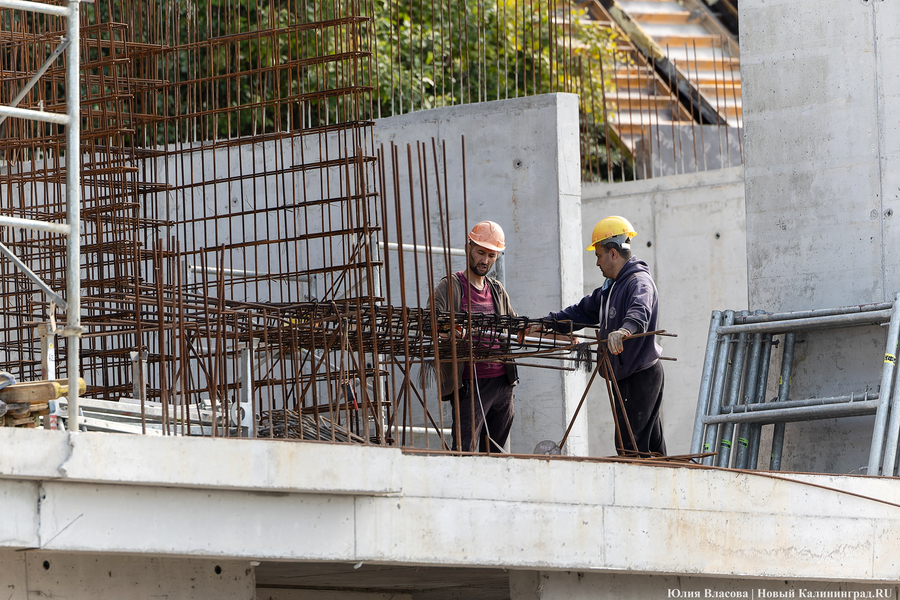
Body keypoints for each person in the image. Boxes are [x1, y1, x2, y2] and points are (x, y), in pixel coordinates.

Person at [533, 216, 667, 457]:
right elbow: (581, 312)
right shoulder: (611, 287)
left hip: (639, 375)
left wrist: (625, 330)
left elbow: (641, 309)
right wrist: (547, 324)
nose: (597, 262)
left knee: (631, 447)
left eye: (598, 255)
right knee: (647, 445)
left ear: (613, 253)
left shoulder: (638, 281)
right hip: (627, 375)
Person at [430, 220, 518, 453]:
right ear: (468, 246)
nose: (485, 261)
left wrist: (563, 336)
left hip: (503, 382)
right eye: (481, 253)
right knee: (464, 451)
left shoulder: (497, 290)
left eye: (491, 255)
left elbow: (516, 326)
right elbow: (430, 323)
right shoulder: (450, 287)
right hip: (470, 384)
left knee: (496, 452)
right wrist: (452, 330)